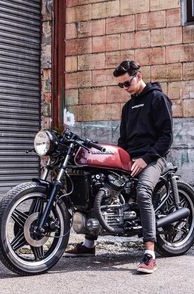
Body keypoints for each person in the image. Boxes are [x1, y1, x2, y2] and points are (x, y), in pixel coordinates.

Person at [65, 60, 173, 274]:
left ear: (139, 76)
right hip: (129, 159)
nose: (125, 88)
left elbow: (166, 137)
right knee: (95, 185)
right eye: (121, 86)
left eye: (127, 83)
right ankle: (89, 244)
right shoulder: (128, 107)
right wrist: (115, 158)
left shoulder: (158, 99)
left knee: (143, 192)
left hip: (153, 158)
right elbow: (123, 141)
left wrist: (145, 159)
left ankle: (149, 254)